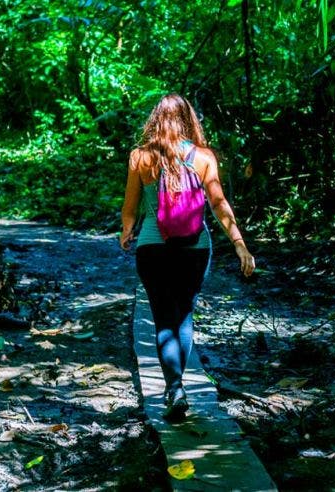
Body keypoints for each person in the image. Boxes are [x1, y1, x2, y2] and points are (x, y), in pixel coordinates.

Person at [119, 93, 256, 421]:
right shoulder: (204, 157)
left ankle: (175, 387)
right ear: (188, 120)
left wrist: (126, 232)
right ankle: (178, 386)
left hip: (153, 249)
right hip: (195, 249)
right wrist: (240, 244)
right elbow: (219, 205)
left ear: (155, 119)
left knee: (163, 318)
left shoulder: (140, 157)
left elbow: (130, 208)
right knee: (183, 316)